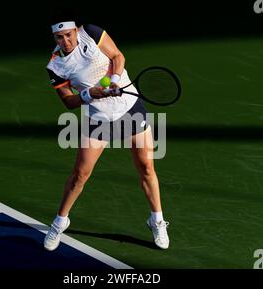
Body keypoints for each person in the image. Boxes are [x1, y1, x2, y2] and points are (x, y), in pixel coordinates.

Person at [44, 16, 170, 251]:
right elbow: (69, 102)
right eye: (60, 37)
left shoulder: (90, 32)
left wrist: (113, 80)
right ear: (54, 38)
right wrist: (91, 94)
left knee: (146, 168)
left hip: (129, 109)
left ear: (75, 30)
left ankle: (157, 220)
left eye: (69, 34)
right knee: (80, 175)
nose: (66, 41)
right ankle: (60, 222)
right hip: (98, 119)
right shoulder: (55, 66)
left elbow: (117, 56)